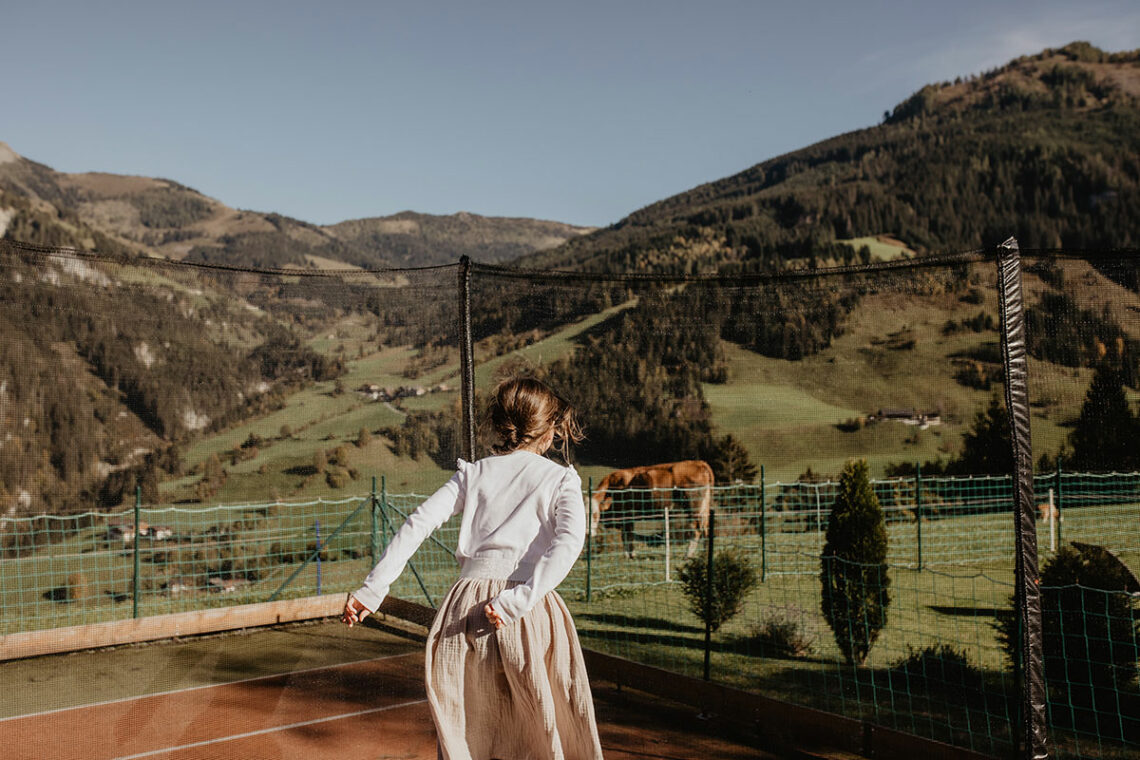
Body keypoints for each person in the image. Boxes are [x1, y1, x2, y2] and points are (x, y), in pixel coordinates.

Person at [343, 377, 604, 760]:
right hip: (524, 610)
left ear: (503, 424)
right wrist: (517, 601)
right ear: (549, 430)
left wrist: (372, 590)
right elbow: (568, 543)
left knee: (469, 732)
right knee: (540, 729)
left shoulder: (474, 473)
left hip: (464, 611)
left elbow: (418, 522)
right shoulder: (560, 479)